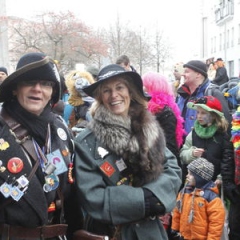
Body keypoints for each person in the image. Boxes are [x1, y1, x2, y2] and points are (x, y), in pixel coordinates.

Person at [74, 64, 182, 240]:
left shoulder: (150, 128)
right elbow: (92, 197)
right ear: (100, 97)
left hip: (150, 232)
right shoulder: (87, 143)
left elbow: (172, 171)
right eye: (107, 90)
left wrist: (151, 197)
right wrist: (146, 201)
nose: (114, 95)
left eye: (119, 87)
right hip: (111, 233)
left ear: (130, 92)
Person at [0, 52, 81, 239]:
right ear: (15, 88)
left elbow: (70, 196)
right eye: (30, 82)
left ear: (52, 92)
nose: (38, 89)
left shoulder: (59, 128)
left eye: (46, 84)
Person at [180, 96, 233, 184]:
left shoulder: (223, 135)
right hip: (194, 184)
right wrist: (192, 153)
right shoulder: (193, 133)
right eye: (198, 112)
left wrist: (221, 178)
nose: (199, 116)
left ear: (213, 115)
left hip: (215, 184)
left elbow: (227, 160)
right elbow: (183, 154)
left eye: (203, 113)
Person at [171, 157, 225, 240]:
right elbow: (177, 210)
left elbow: (216, 223)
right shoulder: (185, 191)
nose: (187, 176)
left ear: (200, 177)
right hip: (184, 236)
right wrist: (175, 228)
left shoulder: (211, 198)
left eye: (190, 174)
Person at [176, 60, 232, 137]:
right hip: (183, 147)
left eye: (186, 72)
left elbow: (225, 125)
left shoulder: (212, 93)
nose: (183, 74)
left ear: (198, 74)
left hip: (204, 146)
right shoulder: (182, 95)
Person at [142, 71, 185, 167]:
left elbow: (170, 144)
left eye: (145, 85)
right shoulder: (148, 107)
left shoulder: (164, 111)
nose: (142, 88)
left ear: (152, 87)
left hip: (163, 163)